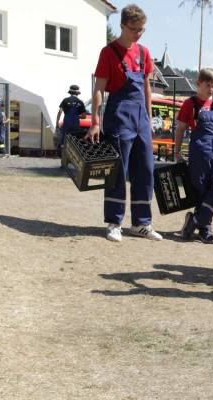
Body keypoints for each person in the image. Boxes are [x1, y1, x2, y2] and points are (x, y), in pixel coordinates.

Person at [86, 3, 162, 243]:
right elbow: (99, 88)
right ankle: (114, 222)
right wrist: (95, 120)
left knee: (146, 170)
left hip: (141, 119)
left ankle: (141, 224)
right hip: (118, 116)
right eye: (134, 29)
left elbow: (147, 87)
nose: (138, 34)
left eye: (142, 30)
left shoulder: (144, 53)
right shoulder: (108, 52)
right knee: (118, 171)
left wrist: (148, 119)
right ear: (122, 26)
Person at [174, 67, 213, 244]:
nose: (211, 89)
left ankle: (195, 220)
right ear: (199, 84)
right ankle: (206, 229)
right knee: (202, 191)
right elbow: (181, 128)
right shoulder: (190, 104)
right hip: (199, 152)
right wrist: (177, 151)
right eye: (208, 85)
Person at [56, 85, 86, 155]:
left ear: (70, 92)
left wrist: (57, 122)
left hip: (67, 122)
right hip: (76, 123)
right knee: (75, 140)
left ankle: (64, 159)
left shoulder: (65, 100)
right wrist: (77, 117)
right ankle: (74, 158)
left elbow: (60, 111)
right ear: (78, 93)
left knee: (64, 141)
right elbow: (84, 116)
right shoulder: (80, 102)